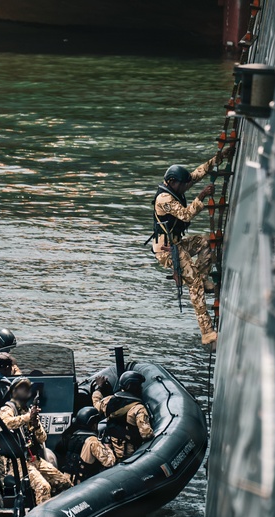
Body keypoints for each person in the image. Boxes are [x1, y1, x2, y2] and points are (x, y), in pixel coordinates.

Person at [151, 151, 232, 346]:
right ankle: (206, 332)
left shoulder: (175, 187)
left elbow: (196, 175)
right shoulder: (164, 199)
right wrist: (202, 195)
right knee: (193, 284)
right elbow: (186, 215)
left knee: (207, 242)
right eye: (181, 184)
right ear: (171, 182)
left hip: (177, 242)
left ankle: (203, 279)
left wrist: (216, 160)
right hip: (167, 251)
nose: (184, 187)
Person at [0, 377, 73, 504]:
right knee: (43, 487)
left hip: (34, 459)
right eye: (23, 388)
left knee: (64, 482)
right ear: (13, 391)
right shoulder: (8, 409)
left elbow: (42, 438)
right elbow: (5, 423)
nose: (27, 391)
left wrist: (35, 424)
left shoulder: (27, 410)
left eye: (28, 388)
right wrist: (28, 417)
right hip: (17, 463)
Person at [91, 371, 154, 461]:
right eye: (139, 385)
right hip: (130, 454)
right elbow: (146, 434)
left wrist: (98, 389)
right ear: (133, 386)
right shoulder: (138, 408)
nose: (141, 388)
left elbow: (96, 406)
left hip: (112, 451)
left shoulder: (109, 400)